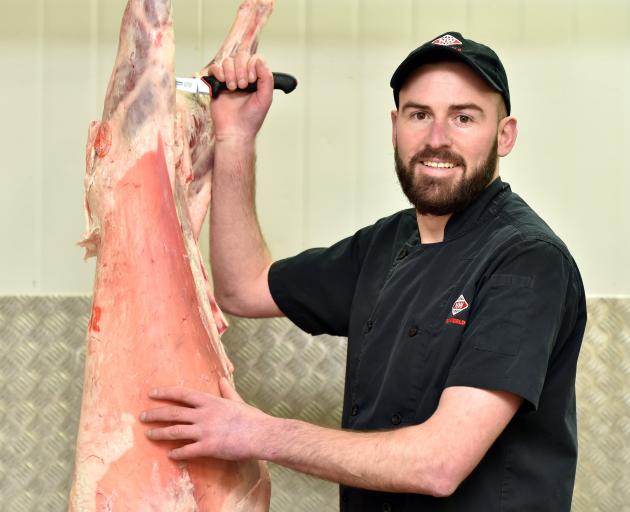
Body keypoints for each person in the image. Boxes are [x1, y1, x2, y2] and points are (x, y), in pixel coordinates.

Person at [140, 32, 586, 511]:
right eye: (419, 115)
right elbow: (242, 288)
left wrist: (257, 433)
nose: (438, 138)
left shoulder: (527, 262)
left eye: (463, 117)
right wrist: (235, 137)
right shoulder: (387, 244)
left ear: (505, 135)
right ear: (395, 126)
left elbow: (438, 463)